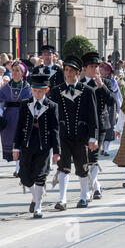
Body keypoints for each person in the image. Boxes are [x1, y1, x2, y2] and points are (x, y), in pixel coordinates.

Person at [48, 55, 99, 210]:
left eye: (72, 71)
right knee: (63, 167)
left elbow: (93, 116)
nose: (69, 73)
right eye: (66, 70)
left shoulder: (88, 91)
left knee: (82, 167)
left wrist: (93, 137)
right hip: (62, 136)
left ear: (78, 73)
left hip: (81, 136)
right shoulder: (56, 91)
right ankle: (62, 199)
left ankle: (83, 197)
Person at [12, 74, 60, 218]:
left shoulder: (52, 106)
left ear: (46, 90)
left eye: (40, 91)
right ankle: (36, 196)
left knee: (39, 176)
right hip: (27, 145)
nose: (37, 94)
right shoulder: (25, 104)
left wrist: (57, 151)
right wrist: (16, 147)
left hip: (43, 146)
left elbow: (55, 129)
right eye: (35, 90)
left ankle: (38, 206)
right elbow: (19, 126)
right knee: (25, 177)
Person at [80, 52, 116, 200]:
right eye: (92, 66)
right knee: (85, 158)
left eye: (97, 66)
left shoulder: (105, 83)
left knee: (93, 157)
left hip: (100, 124)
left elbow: (112, 101)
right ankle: (96, 186)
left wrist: (102, 86)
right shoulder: (80, 83)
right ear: (84, 68)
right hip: (84, 125)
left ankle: (91, 187)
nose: (95, 69)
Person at [0, 61, 32, 176]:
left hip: (22, 115)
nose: (14, 73)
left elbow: (30, 102)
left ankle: (19, 168)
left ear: (22, 73)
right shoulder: (6, 87)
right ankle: (17, 166)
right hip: (9, 116)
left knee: (20, 140)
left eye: (17, 70)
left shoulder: (27, 87)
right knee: (11, 140)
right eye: (13, 70)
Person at [99, 61, 123, 157]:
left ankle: (106, 148)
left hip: (110, 107)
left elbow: (117, 96)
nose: (100, 72)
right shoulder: (96, 79)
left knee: (109, 127)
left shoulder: (112, 82)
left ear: (108, 72)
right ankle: (101, 147)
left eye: (102, 70)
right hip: (99, 106)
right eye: (100, 70)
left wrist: (119, 109)